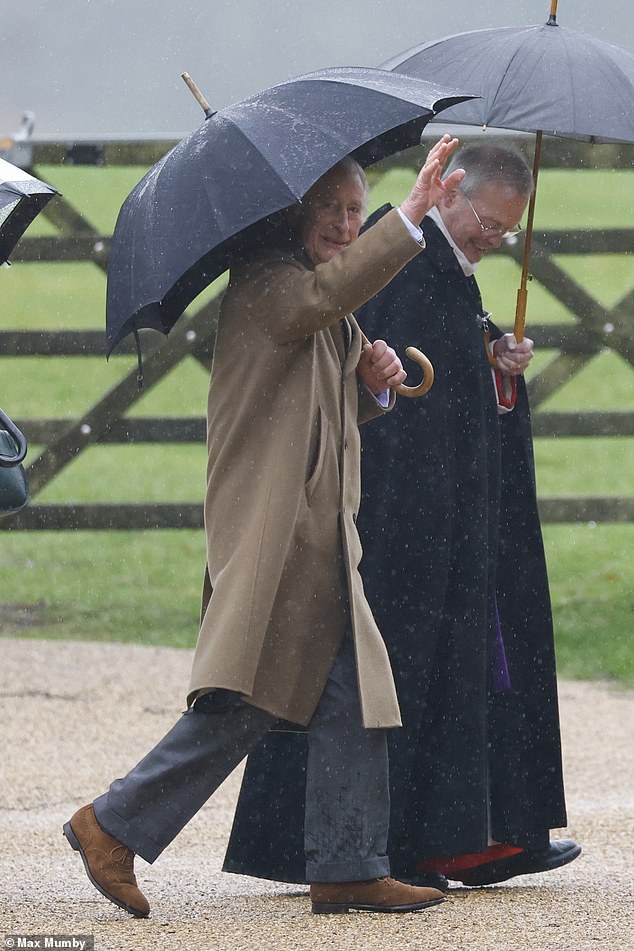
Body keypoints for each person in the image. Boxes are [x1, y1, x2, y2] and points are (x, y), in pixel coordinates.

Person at [63, 135, 467, 917]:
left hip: (317, 538)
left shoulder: (317, 292)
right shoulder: (267, 283)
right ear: (295, 212)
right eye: (334, 210)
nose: (348, 225)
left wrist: (373, 382)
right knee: (244, 703)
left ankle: (348, 865)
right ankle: (110, 824)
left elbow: (327, 402)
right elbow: (320, 304)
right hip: (275, 535)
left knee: (350, 695)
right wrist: (410, 213)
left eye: (357, 210)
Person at [222, 143, 580, 890]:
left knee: (424, 677)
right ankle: (368, 848)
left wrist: (492, 360)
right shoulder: (395, 251)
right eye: (488, 222)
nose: (494, 239)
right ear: (447, 191)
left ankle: (435, 841)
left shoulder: (447, 264)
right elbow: (350, 355)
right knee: (317, 691)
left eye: (509, 233)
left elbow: (430, 368)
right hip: (386, 519)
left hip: (442, 518)